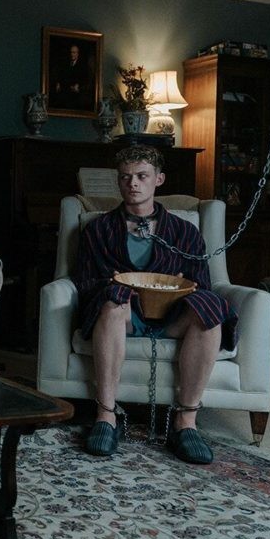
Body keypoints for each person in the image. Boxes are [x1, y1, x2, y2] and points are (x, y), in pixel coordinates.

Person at [72, 145, 238, 464]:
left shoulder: (184, 232)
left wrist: (179, 285)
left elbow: (201, 281)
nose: (133, 183)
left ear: (158, 179)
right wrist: (113, 284)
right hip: (126, 317)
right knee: (112, 301)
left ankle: (185, 421)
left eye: (142, 176)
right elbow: (84, 282)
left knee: (209, 306)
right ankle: (106, 415)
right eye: (125, 177)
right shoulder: (99, 230)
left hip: (172, 316)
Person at [51, 43, 93, 111]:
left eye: (74, 52)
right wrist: (58, 83)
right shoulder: (66, 64)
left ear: (77, 54)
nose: (72, 54)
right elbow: (62, 76)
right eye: (71, 52)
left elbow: (85, 79)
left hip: (77, 94)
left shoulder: (83, 66)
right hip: (66, 92)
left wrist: (78, 85)